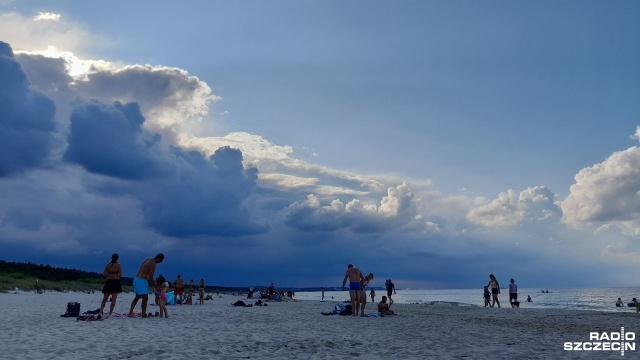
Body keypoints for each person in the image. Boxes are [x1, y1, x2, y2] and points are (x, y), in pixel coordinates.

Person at [128, 253, 164, 318]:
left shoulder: (147, 259)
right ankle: (143, 314)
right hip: (142, 280)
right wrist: (156, 286)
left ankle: (130, 313)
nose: (160, 262)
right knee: (145, 298)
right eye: (160, 261)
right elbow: (150, 277)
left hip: (136, 279)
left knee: (137, 297)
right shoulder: (153, 264)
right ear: (159, 259)